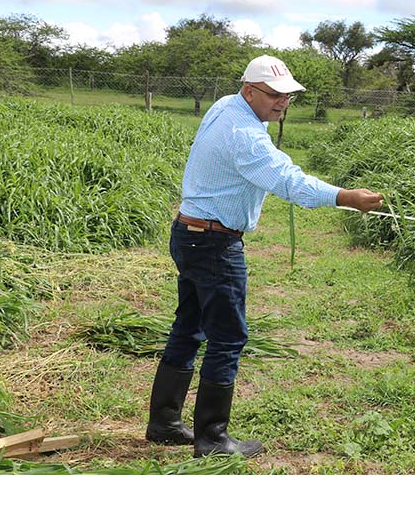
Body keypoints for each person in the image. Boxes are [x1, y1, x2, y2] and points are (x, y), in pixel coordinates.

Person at [145, 54, 383, 458]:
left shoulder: (226, 106)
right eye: (274, 95)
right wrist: (346, 197)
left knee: (189, 327)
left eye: (287, 96)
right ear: (250, 90)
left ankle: (165, 423)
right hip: (214, 244)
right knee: (228, 337)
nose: (282, 103)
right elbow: (286, 180)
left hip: (192, 234)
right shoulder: (244, 132)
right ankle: (213, 440)